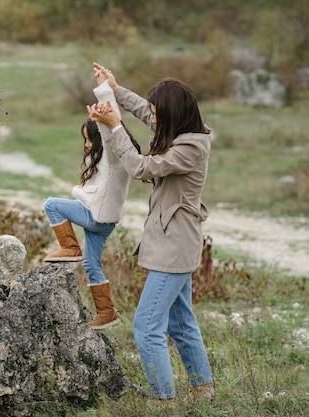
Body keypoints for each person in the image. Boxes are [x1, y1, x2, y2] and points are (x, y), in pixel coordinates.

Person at [86, 62, 214, 401]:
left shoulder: (190, 148)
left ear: (173, 114)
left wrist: (115, 129)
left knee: (145, 327)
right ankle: (203, 389)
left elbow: (142, 167)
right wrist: (115, 90)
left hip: (174, 244)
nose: (152, 117)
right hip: (173, 241)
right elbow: (146, 111)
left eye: (158, 112)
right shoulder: (181, 128)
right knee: (179, 322)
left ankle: (163, 399)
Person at [43, 75, 141, 330]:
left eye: (90, 139)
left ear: (102, 138)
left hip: (94, 215)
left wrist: (104, 94)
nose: (86, 144)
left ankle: (69, 247)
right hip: (104, 221)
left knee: (52, 204)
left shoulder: (113, 155)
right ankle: (106, 313)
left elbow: (112, 126)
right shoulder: (99, 160)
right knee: (91, 263)